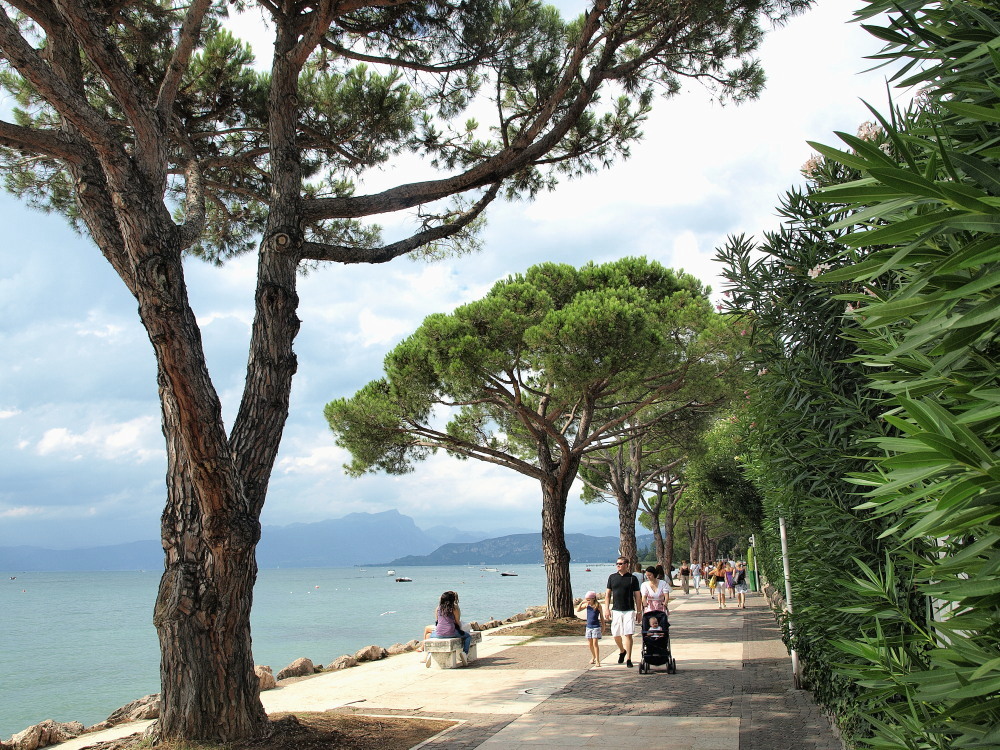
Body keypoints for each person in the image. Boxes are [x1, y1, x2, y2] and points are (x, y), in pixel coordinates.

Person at [605, 556, 642, 668]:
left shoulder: (632, 578)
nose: (618, 565)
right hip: (616, 610)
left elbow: (637, 596)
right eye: (617, 563)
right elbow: (607, 594)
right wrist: (606, 608)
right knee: (615, 634)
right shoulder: (612, 577)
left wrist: (639, 612)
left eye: (620, 563)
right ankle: (622, 650)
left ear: (627, 565)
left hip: (629, 610)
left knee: (628, 634)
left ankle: (629, 659)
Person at [425, 590, 472, 656]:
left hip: (439, 633)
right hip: (451, 632)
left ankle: (429, 654)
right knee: (468, 637)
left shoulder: (438, 608)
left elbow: (437, 621)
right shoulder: (454, 608)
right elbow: (457, 622)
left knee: (428, 635)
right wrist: (460, 630)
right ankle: (465, 653)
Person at [576, 590, 605, 666]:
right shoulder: (586, 605)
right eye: (587, 600)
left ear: (593, 599)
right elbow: (578, 610)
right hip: (589, 627)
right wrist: (582, 603)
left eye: (589, 600)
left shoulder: (598, 606)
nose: (588, 601)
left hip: (596, 627)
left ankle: (598, 660)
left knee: (595, 643)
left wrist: (603, 626)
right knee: (590, 644)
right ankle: (593, 656)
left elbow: (601, 617)